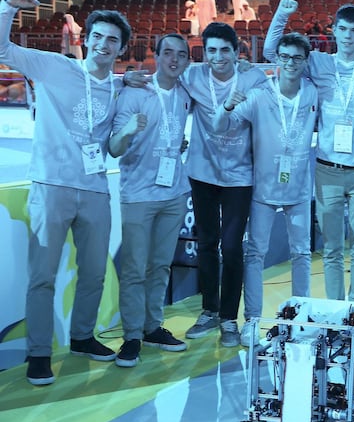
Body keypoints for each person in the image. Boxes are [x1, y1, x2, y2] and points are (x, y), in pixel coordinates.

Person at [0, 0, 131, 385]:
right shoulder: (56, 67)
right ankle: (38, 353)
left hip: (94, 189)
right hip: (51, 186)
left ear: (122, 48)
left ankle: (82, 337)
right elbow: (3, 51)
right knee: (43, 275)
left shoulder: (121, 87)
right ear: (86, 40)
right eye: (98, 37)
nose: (103, 45)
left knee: (94, 273)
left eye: (112, 40)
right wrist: (7, 6)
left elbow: (110, 146)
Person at [264, 0, 354, 305]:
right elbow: (269, 52)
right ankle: (334, 310)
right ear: (333, 30)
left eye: (353, 30)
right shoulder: (318, 62)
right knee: (331, 248)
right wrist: (282, 15)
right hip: (327, 168)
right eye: (342, 29)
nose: (347, 35)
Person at [213, 33, 318, 347]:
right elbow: (220, 125)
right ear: (277, 59)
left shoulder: (312, 92)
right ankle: (252, 321)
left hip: (299, 189)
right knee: (255, 254)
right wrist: (227, 105)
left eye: (296, 58)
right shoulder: (259, 95)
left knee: (301, 254)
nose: (289, 63)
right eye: (284, 56)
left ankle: (300, 318)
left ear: (304, 61)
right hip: (262, 189)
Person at [181, 22, 268, 347]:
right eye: (211, 50)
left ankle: (229, 318)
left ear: (237, 51)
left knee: (231, 247)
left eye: (224, 50)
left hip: (239, 176)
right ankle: (209, 311)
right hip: (202, 172)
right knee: (206, 244)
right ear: (204, 52)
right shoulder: (193, 76)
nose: (218, 57)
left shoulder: (252, 77)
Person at [109, 34, 192, 367]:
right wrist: (128, 129)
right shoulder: (133, 92)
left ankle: (152, 326)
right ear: (155, 55)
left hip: (174, 193)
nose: (174, 59)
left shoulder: (186, 93)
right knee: (133, 270)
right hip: (139, 195)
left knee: (159, 266)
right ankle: (131, 336)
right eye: (167, 52)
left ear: (187, 60)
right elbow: (114, 149)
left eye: (181, 55)